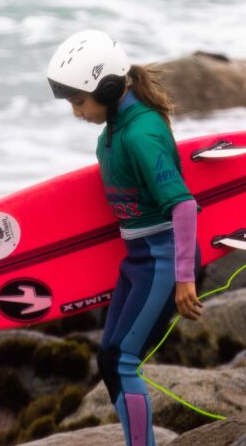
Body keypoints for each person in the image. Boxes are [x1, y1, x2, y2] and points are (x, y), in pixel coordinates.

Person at [46, 29, 203, 446]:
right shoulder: (114, 130)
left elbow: (183, 205)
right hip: (138, 259)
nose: (77, 112)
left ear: (110, 87)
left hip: (164, 260)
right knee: (109, 358)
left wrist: (185, 277)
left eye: (79, 101)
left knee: (124, 360)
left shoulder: (141, 134)